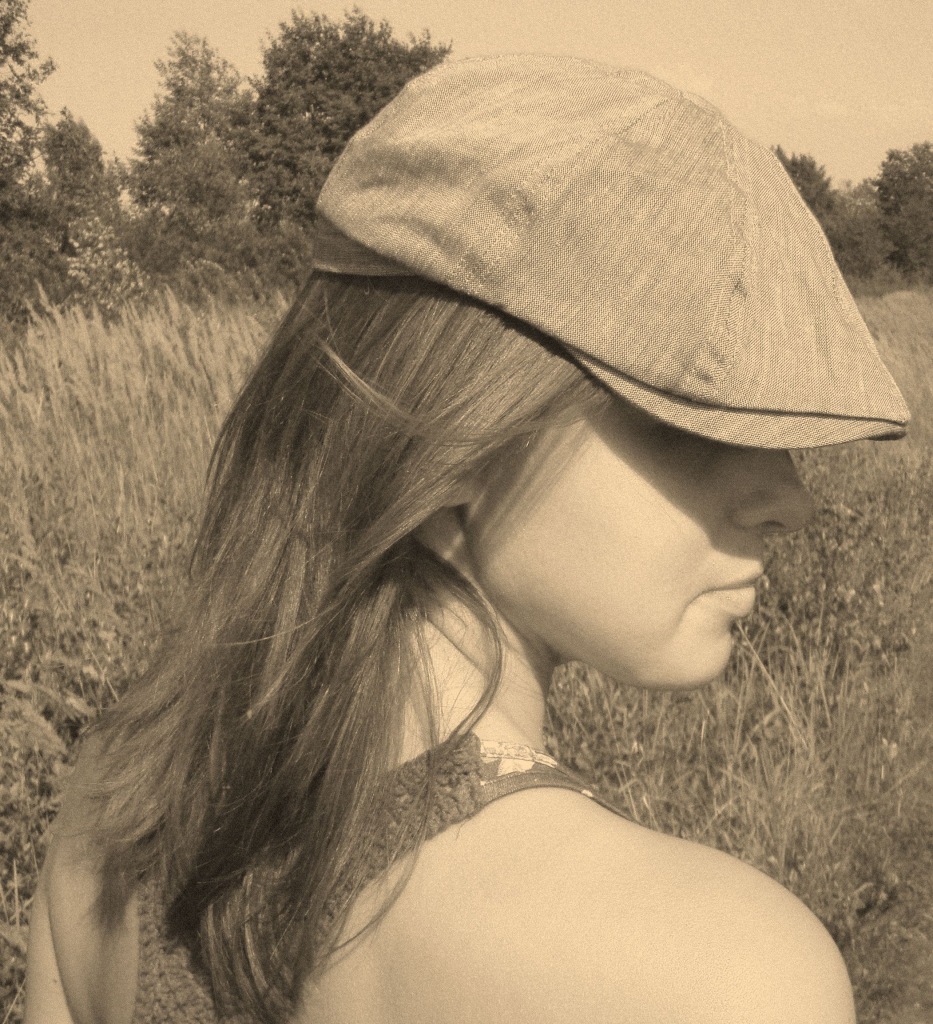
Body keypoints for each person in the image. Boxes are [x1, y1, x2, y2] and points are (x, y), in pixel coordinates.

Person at [25, 55, 908, 1024]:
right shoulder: (723, 972)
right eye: (693, 423)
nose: (789, 500)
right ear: (447, 436)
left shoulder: (112, 819)